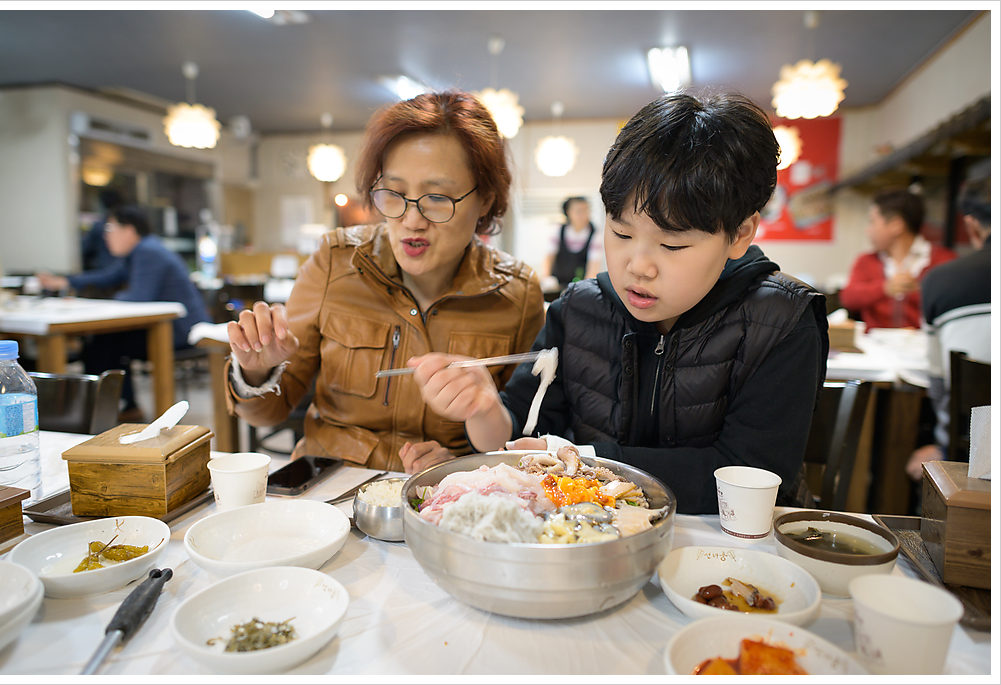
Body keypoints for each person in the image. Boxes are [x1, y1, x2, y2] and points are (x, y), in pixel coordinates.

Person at [407, 92, 830, 514]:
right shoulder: (579, 310)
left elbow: (751, 475)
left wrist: (588, 461)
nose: (637, 267)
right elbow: (518, 437)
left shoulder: (780, 320)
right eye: (621, 233)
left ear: (739, 234)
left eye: (672, 245)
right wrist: (484, 408)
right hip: (584, 537)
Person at [224, 90, 545, 472]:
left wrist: (464, 464)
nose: (411, 219)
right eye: (394, 193)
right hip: (332, 487)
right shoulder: (335, 262)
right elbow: (269, 412)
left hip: (444, 497)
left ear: (486, 200)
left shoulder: (517, 293)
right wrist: (256, 371)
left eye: (438, 198)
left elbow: (524, 438)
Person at [41, 205, 211, 421]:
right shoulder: (138, 252)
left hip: (181, 330)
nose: (106, 236)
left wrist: (100, 301)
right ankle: (122, 406)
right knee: (105, 341)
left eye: (110, 229)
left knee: (103, 343)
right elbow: (106, 277)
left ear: (129, 231)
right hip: (170, 326)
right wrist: (66, 281)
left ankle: (110, 408)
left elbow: (139, 297)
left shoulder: (148, 251)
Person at [905, 180, 992, 480]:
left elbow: (941, 386)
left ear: (972, 225)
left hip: (971, 462)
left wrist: (946, 449)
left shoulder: (941, 281)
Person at [838, 188, 956, 330]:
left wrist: (922, 289)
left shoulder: (945, 260)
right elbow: (848, 298)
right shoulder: (866, 261)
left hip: (924, 340)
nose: (868, 230)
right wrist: (885, 288)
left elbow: (953, 303)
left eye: (872, 222)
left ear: (896, 225)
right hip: (875, 341)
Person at [540, 196, 603, 287]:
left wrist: (586, 286)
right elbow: (549, 257)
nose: (582, 215)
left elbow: (594, 264)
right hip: (558, 282)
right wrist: (546, 277)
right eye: (578, 211)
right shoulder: (558, 230)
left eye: (585, 210)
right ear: (568, 212)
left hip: (581, 283)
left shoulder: (595, 234)